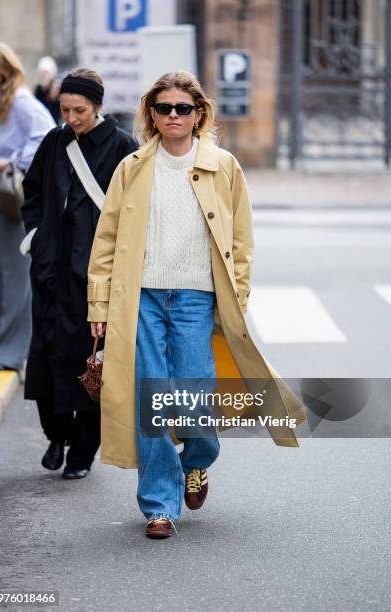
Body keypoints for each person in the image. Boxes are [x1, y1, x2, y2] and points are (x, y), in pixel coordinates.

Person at [88, 71, 306, 538]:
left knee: (194, 398)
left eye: (182, 109)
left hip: (196, 297)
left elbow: (242, 239)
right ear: (151, 114)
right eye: (163, 108)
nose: (172, 116)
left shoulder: (223, 166)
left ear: (198, 114)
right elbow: (105, 241)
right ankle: (159, 505)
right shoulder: (132, 167)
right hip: (141, 298)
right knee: (153, 396)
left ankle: (198, 461)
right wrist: (99, 308)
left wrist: (237, 296)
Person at [21, 68, 138, 480]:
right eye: (65, 109)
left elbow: (137, 209)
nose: (71, 117)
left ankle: (83, 453)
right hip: (50, 270)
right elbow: (32, 192)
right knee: (45, 357)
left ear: (98, 107)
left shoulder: (124, 147)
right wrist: (35, 238)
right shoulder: (55, 142)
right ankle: (57, 434)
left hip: (96, 275)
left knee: (93, 364)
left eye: (80, 110)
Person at [0, 40, 55, 372]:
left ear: (7, 70)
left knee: (11, 275)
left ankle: (9, 353)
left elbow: (46, 136)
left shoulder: (22, 102)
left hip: (6, 194)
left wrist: (11, 163)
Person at [34, 56, 61, 124]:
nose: (44, 75)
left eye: (46, 73)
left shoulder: (57, 87)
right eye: (42, 73)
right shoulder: (39, 89)